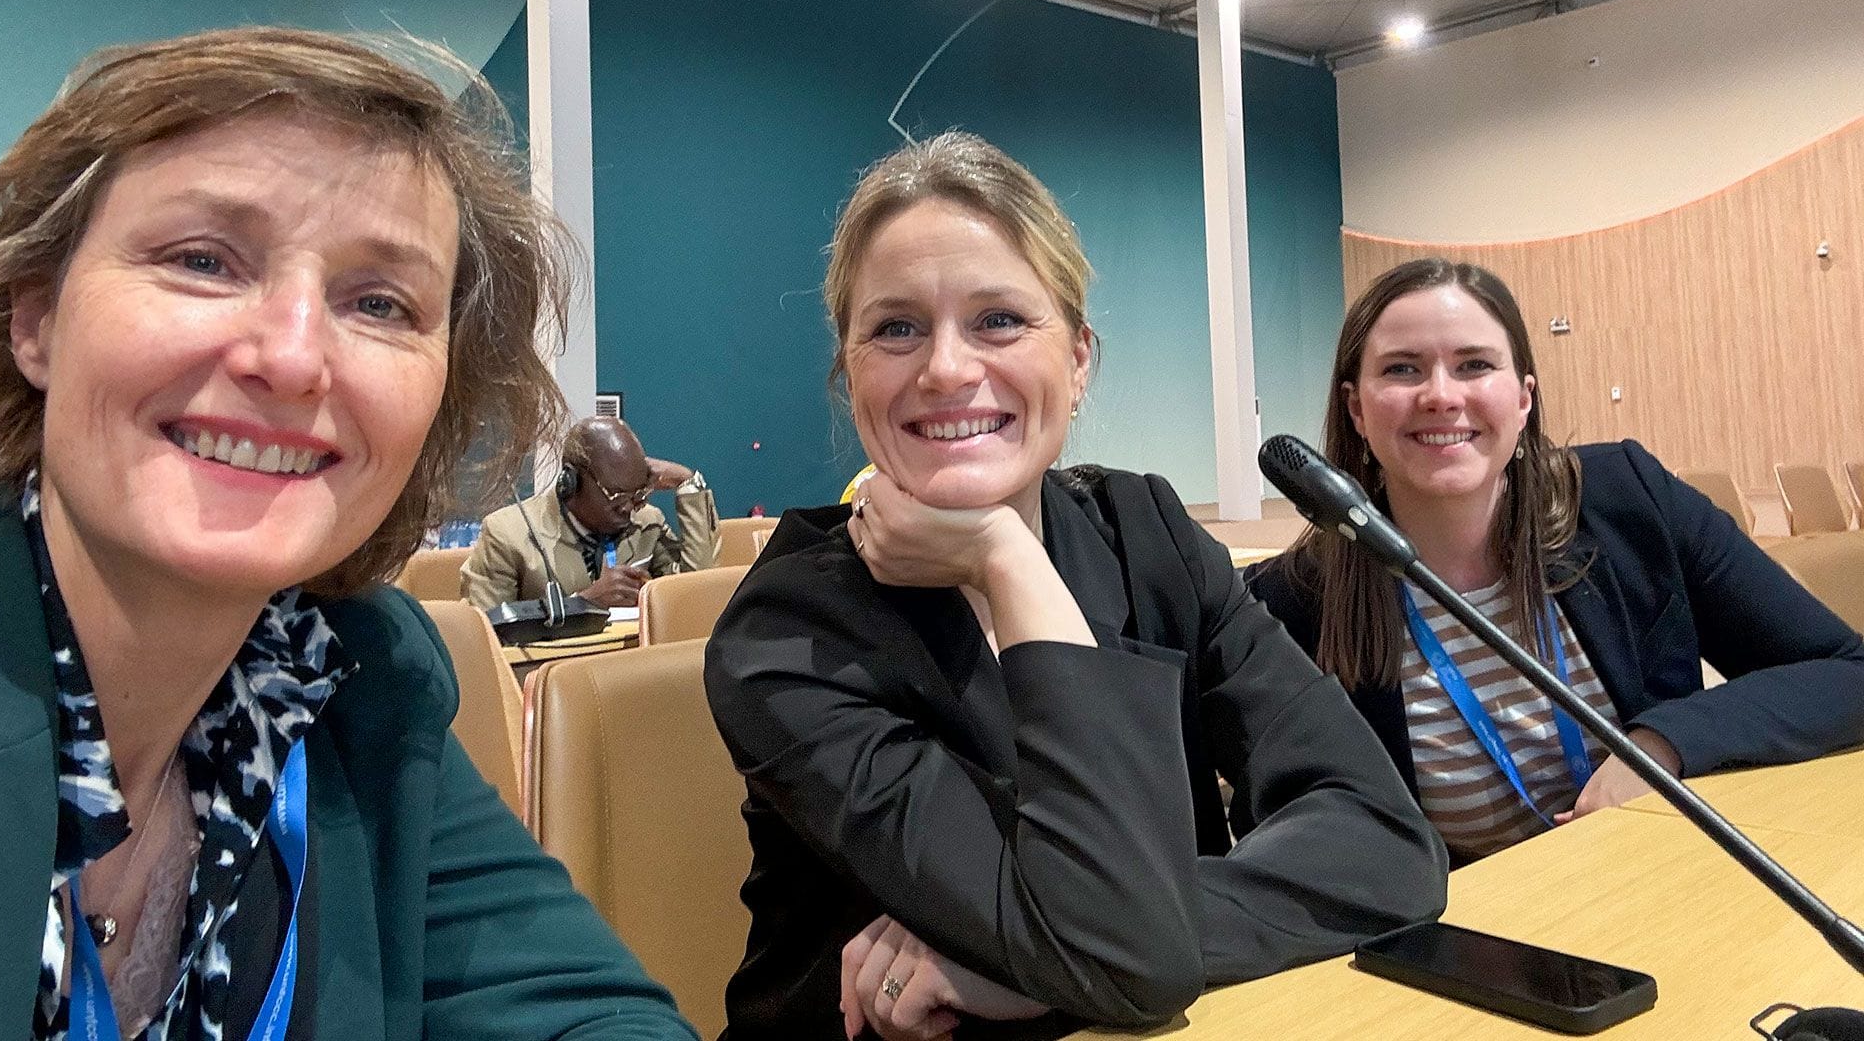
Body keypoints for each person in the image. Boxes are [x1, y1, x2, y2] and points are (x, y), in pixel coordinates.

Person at [0, 27, 695, 1040]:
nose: (295, 359)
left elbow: (592, 1017)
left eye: (380, 303)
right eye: (203, 260)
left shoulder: (354, 681)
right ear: (34, 320)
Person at [702, 132, 1446, 1041]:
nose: (945, 367)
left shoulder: (1148, 535)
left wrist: (1057, 951)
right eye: (895, 328)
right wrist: (1005, 556)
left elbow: (1388, 841)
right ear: (849, 372)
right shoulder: (785, 636)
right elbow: (1127, 955)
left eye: (1000, 320)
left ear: (1080, 358)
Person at [1246, 258, 1864, 865]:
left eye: (1474, 365)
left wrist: (1661, 744)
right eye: (1403, 369)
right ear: (1357, 409)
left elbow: (1848, 672)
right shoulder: (1291, 606)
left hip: (1667, 879)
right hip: (1478, 942)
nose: (1440, 395)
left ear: (1522, 398)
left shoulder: (1628, 501)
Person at [461, 416, 718, 609]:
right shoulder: (507, 534)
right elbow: (485, 632)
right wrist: (582, 603)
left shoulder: (646, 522)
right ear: (570, 482)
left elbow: (697, 592)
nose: (629, 508)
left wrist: (688, 483)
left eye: (637, 494)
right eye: (616, 497)